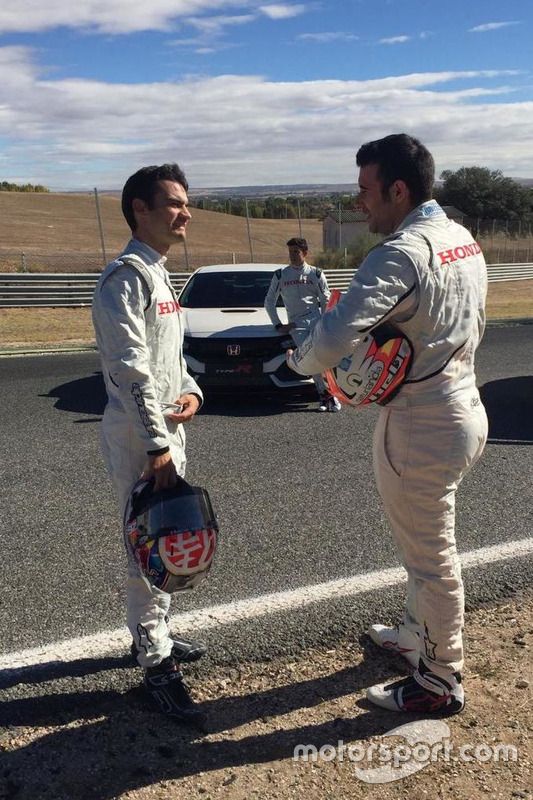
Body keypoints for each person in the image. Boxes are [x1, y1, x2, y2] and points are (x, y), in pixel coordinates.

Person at [287, 134, 488, 715]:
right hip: (462, 404)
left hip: (422, 424)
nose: (361, 206)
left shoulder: (401, 252)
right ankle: (412, 637)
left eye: (366, 193)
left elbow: (330, 337)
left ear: (398, 190)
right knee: (421, 544)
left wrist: (301, 361)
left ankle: (440, 679)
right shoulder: (460, 238)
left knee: (432, 557)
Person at [92, 163, 206, 723]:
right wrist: (158, 446)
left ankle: (153, 634)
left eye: (186, 203)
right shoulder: (126, 278)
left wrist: (192, 392)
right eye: (174, 203)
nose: (185, 213)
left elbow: (169, 362)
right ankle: (156, 663)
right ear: (140, 209)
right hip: (141, 437)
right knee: (146, 544)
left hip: (165, 430)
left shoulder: (159, 275)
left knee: (169, 536)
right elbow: (129, 370)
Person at [264, 237, 341, 412]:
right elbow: (269, 302)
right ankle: (326, 396)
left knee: (324, 357)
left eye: (296, 252)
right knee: (311, 359)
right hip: (296, 325)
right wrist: (278, 325)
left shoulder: (316, 273)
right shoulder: (280, 275)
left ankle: (331, 395)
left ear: (305, 253)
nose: (292, 255)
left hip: (316, 321)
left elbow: (326, 299)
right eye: (290, 252)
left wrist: (325, 321)